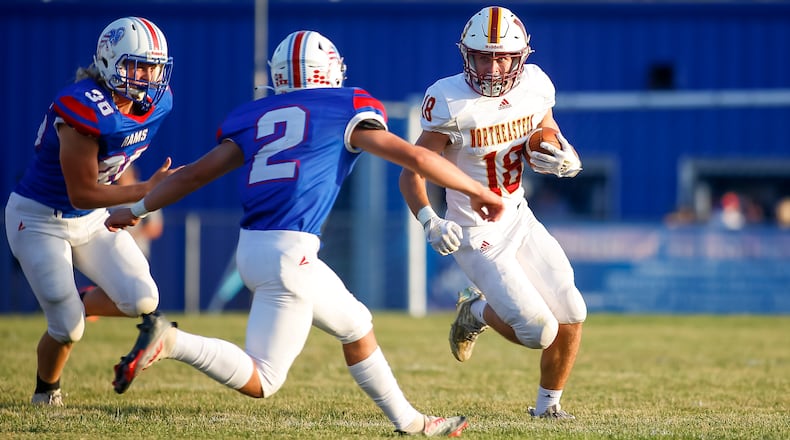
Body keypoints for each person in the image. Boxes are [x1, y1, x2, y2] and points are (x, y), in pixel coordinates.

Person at [104, 30, 504, 436]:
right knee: (264, 378)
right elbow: (417, 157)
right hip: (289, 254)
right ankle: (172, 342)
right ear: (330, 72)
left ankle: (414, 424)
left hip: (255, 249)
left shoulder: (255, 115)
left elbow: (192, 175)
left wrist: (135, 209)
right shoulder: (344, 107)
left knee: (357, 325)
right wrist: (478, 190)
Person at [398, 6, 587, 419]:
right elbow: (412, 172)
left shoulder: (535, 85)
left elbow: (545, 129)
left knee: (573, 311)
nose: (494, 66)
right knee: (539, 332)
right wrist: (430, 219)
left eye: (503, 56)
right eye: (484, 55)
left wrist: (562, 152)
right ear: (466, 55)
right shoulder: (448, 100)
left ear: (521, 58)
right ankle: (474, 310)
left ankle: (547, 409)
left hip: (518, 214)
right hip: (474, 230)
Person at [3, 16, 177, 407]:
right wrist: (145, 191)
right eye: (138, 65)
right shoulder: (81, 107)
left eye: (154, 67)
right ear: (109, 62)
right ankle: (46, 391)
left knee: (144, 299)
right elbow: (81, 192)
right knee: (67, 328)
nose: (148, 76)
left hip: (89, 220)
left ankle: (73, 299)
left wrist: (132, 198)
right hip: (37, 218)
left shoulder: (158, 103)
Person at [116, 164, 165, 258]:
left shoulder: (145, 195)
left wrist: (130, 237)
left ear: (132, 175)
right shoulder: (112, 194)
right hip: (115, 252)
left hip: (136, 251)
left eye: (123, 176)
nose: (120, 180)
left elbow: (155, 227)